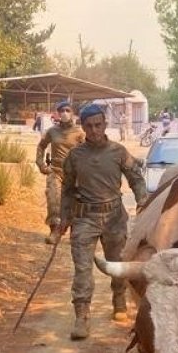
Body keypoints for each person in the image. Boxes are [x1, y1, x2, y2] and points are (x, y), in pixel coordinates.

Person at [52, 102, 148, 340]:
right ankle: (81, 317)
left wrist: (143, 202)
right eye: (89, 126)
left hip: (114, 217)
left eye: (98, 125)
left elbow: (136, 179)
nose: (94, 130)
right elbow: (66, 189)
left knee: (117, 264)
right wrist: (63, 217)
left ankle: (119, 300)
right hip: (84, 218)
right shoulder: (75, 156)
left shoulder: (118, 152)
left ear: (105, 124)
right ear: (82, 127)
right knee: (83, 268)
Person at [36, 101, 86, 240]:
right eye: (61, 110)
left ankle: (74, 232)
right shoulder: (52, 131)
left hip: (74, 174)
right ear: (58, 114)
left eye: (67, 110)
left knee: (75, 203)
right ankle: (55, 231)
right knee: (54, 199)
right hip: (56, 171)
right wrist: (41, 164)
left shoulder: (79, 133)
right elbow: (41, 147)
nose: (64, 113)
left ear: (72, 113)